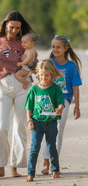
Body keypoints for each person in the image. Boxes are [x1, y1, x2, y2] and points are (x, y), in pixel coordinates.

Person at [0, 11, 38, 179]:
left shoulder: (25, 43)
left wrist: (29, 64)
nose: (14, 31)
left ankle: (15, 166)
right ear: (5, 25)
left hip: (22, 86)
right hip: (2, 85)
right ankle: (0, 166)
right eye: (11, 27)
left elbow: (35, 67)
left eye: (18, 28)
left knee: (20, 126)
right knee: (1, 127)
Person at [41, 35, 82, 175]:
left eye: (58, 47)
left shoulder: (71, 66)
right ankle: (45, 163)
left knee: (58, 131)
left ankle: (54, 164)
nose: (55, 49)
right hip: (47, 100)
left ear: (66, 48)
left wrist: (77, 106)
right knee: (47, 130)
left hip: (63, 101)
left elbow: (75, 87)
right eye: (53, 46)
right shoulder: (49, 63)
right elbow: (41, 81)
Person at [24, 59, 65, 182]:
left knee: (51, 146)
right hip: (37, 122)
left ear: (52, 74)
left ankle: (55, 170)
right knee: (35, 147)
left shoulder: (56, 89)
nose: (44, 77)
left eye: (47, 75)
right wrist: (29, 120)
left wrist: (60, 109)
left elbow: (61, 103)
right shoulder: (34, 89)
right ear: (38, 74)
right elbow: (29, 107)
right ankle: (31, 173)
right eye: (41, 75)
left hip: (51, 122)